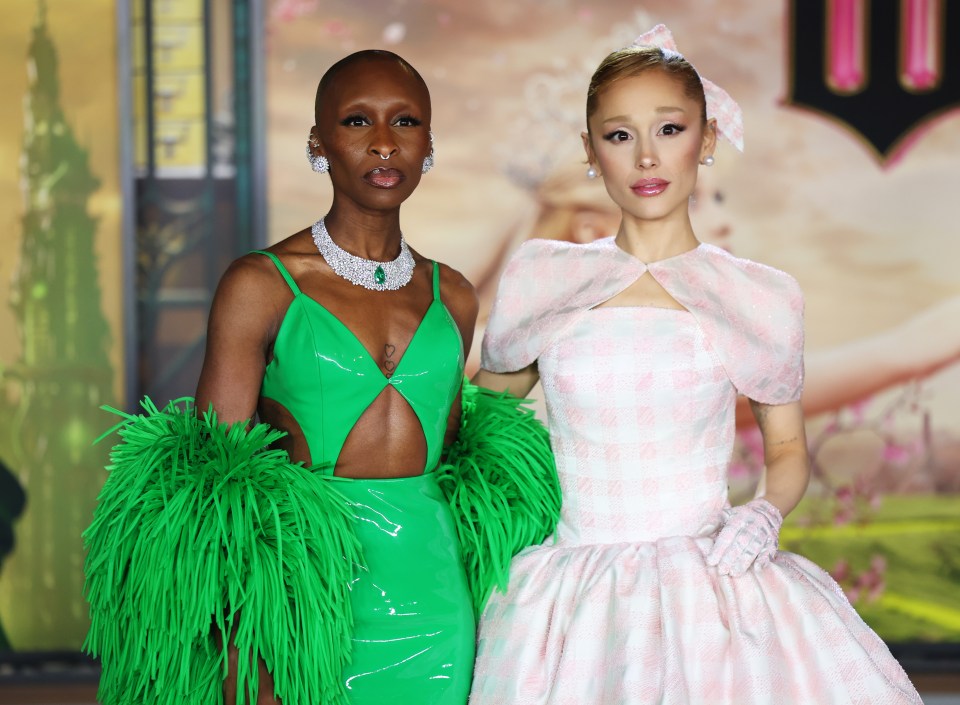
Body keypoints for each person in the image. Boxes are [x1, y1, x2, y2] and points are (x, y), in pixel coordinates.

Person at [84, 49, 558, 705]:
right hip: (309, 595)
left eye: (406, 122)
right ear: (319, 142)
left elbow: (451, 459)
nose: (385, 143)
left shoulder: (454, 296)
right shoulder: (262, 284)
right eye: (358, 121)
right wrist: (245, 637)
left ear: (428, 145)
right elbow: (210, 489)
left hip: (435, 597)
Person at [468, 25, 923, 704]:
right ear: (590, 151)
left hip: (712, 583)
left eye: (671, 129)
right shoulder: (544, 277)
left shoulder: (757, 294)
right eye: (619, 135)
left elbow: (789, 446)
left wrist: (765, 512)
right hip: (569, 596)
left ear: (706, 141)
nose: (647, 155)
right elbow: (482, 426)